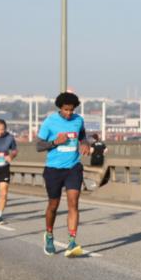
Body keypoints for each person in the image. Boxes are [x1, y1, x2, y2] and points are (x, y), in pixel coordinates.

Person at [37, 92, 90, 257]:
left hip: (73, 167)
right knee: (53, 205)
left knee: (73, 203)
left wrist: (85, 143)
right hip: (53, 169)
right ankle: (49, 235)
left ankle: (72, 241)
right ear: (60, 107)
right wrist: (55, 142)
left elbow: (83, 136)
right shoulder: (50, 121)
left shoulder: (78, 120)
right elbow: (38, 146)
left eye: (71, 110)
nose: (69, 113)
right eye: (66, 110)